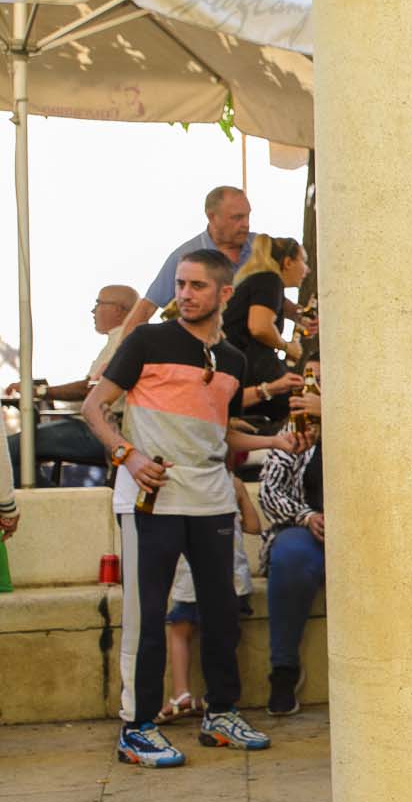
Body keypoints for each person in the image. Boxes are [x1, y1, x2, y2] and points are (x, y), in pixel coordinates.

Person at [81, 249, 270, 766]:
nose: (184, 294)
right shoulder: (145, 340)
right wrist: (128, 455)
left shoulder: (233, 361)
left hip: (210, 499)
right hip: (150, 499)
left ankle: (221, 715)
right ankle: (136, 727)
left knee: (223, 610)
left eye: (196, 286)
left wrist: (277, 441)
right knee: (147, 616)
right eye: (181, 285)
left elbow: (219, 430)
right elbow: (93, 407)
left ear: (223, 294)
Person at [3, 283, 139, 484]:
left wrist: (40, 391)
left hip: (99, 431)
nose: (93, 311)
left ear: (118, 309)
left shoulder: (123, 339)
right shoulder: (124, 339)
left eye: (98, 303)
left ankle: (48, 507)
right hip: (99, 426)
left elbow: (88, 389)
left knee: (7, 452)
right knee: (19, 454)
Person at [257, 397, 327, 717]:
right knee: (290, 557)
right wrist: (307, 516)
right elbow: (269, 492)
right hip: (310, 532)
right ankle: (283, 671)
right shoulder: (294, 431)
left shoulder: (367, 424)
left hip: (366, 534)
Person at [126, 186, 252, 328]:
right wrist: (126, 349)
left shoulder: (264, 248)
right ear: (212, 216)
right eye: (237, 218)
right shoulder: (184, 256)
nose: (246, 224)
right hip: (203, 346)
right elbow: (146, 308)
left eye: (248, 215)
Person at [224, 235, 307, 440]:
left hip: (240, 374)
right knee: (305, 405)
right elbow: (259, 326)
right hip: (251, 372)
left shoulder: (257, 282)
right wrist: (288, 347)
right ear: (287, 263)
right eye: (303, 261)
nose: (307, 269)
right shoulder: (270, 280)